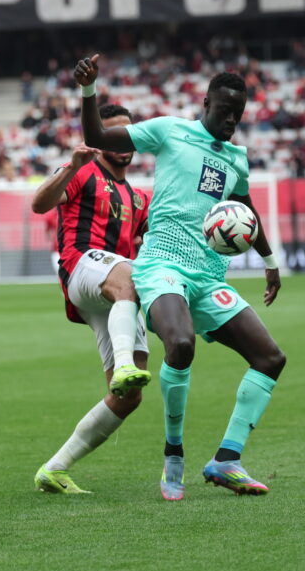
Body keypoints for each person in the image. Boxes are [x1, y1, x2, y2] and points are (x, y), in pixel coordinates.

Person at [76, 54, 286, 500]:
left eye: (238, 114)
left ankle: (226, 459)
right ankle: (174, 453)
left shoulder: (237, 159)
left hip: (210, 277)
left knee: (270, 358)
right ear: (206, 103)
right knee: (181, 343)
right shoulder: (170, 131)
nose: (231, 120)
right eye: (224, 110)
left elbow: (245, 210)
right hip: (162, 266)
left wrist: (269, 261)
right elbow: (96, 137)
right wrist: (89, 90)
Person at [30, 104, 152, 494]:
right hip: (81, 264)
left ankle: (55, 468)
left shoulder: (139, 198)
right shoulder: (83, 171)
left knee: (129, 397)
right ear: (100, 140)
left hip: (115, 291)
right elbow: (39, 204)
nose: (122, 142)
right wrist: (70, 166)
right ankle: (123, 365)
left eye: (127, 135)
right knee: (129, 275)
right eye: (113, 134)